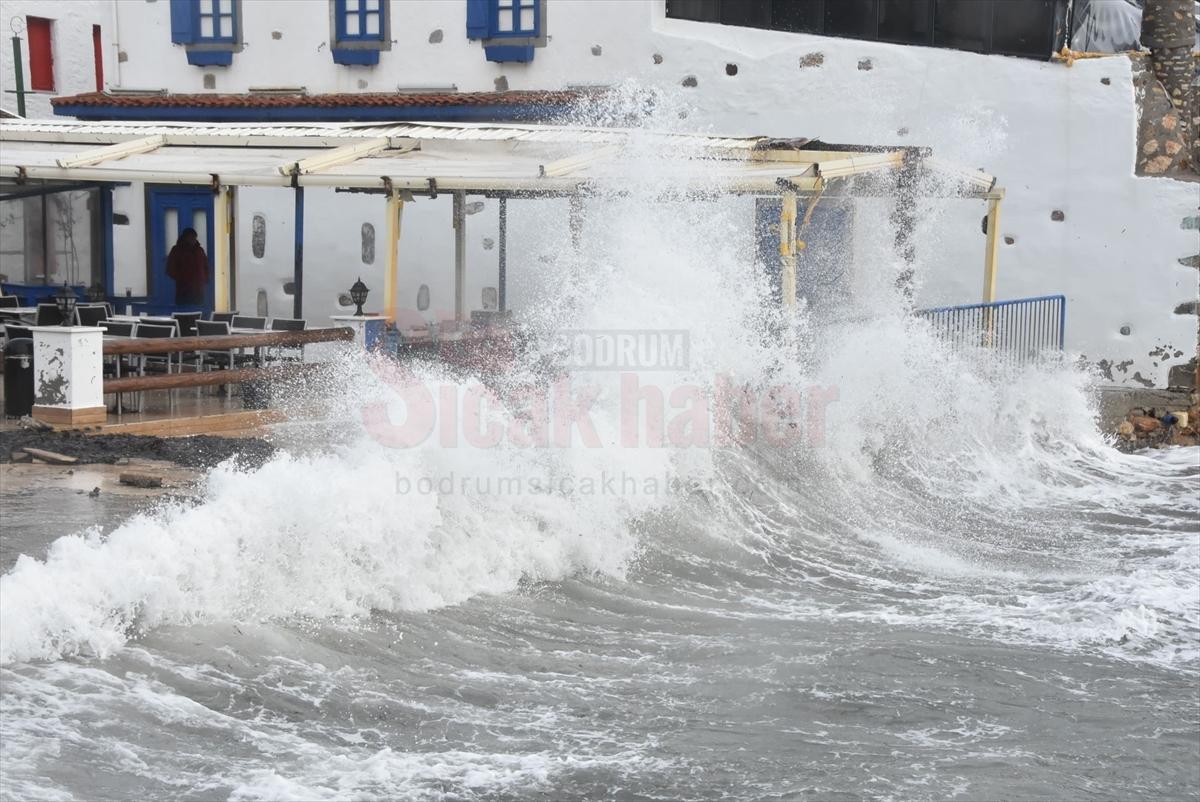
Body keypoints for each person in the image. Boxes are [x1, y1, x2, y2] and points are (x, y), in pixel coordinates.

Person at [165, 228, 208, 306]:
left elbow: (205, 267)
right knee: (183, 313)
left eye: (194, 237)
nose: (193, 240)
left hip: (198, 290)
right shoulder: (177, 250)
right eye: (191, 237)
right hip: (183, 290)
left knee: (198, 313)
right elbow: (170, 269)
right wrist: (182, 278)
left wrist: (204, 279)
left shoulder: (200, 251)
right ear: (185, 238)